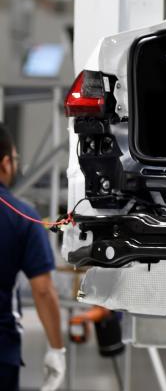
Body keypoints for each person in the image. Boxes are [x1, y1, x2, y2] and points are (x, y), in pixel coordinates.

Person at [0, 123, 65, 391]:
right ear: (5, 163)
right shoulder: (21, 216)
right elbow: (43, 291)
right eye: (15, 159)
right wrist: (56, 349)